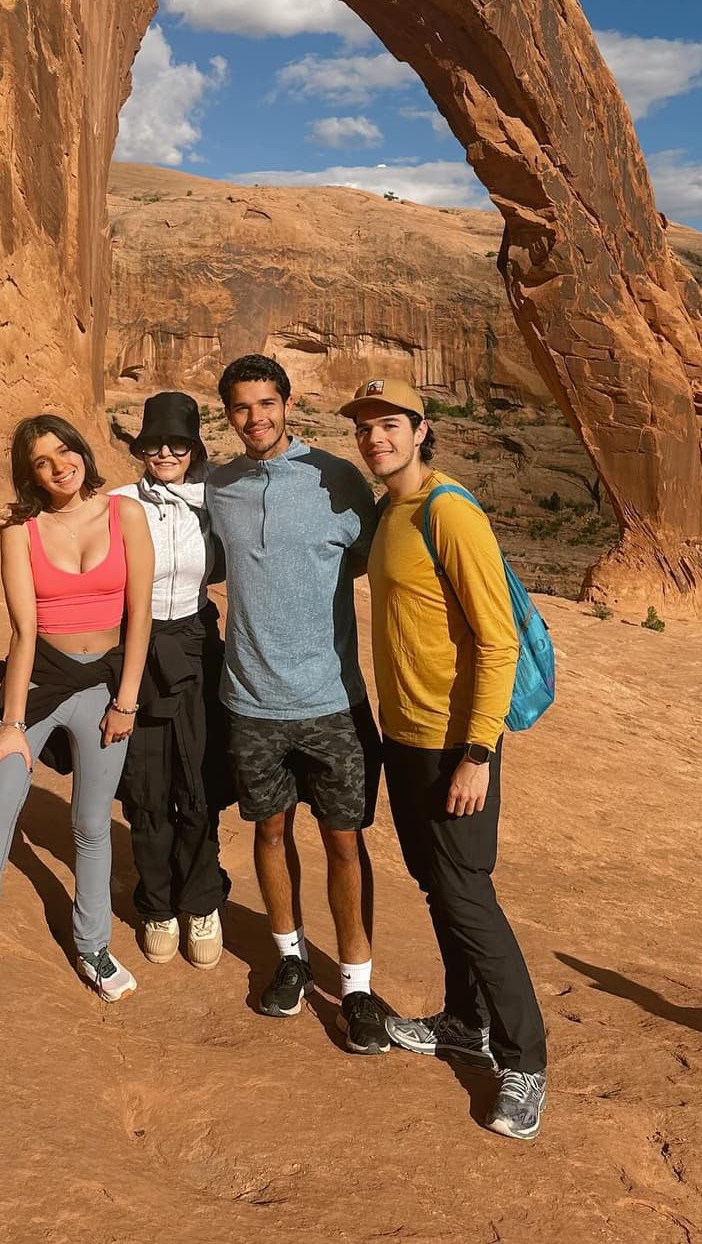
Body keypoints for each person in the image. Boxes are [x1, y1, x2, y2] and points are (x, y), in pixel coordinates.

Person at [342, 376, 548, 1140]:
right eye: (364, 427)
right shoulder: (388, 510)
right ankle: (466, 1022)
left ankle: (526, 1060)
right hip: (406, 739)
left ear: (422, 429)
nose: (375, 438)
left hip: (453, 743)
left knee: (468, 896)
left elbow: (496, 641)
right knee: (437, 887)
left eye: (389, 424)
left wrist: (478, 752)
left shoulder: (448, 512)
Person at [0, 414, 154, 1010]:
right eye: (42, 461)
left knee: (89, 825)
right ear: (28, 473)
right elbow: (23, 632)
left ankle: (94, 945)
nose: (60, 466)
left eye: (65, 451)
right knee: (0, 799)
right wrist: (9, 726)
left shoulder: (125, 513)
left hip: (107, 686)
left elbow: (140, 617)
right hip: (41, 682)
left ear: (82, 451)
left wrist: (127, 702)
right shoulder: (19, 528)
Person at [206, 354, 386, 1055]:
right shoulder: (218, 486)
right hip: (250, 700)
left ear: (289, 403)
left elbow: (371, 556)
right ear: (228, 415)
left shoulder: (336, 479)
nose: (257, 418)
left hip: (331, 700)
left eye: (267, 403)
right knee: (270, 831)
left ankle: (359, 986)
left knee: (345, 842)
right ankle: (288, 957)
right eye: (242, 408)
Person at [111, 391, 231, 969]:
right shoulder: (116, 503)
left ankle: (201, 900)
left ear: (193, 450)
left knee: (199, 774)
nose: (165, 451)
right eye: (155, 442)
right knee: (146, 780)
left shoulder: (214, 503)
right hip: (133, 648)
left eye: (178, 443)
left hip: (195, 645)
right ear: (140, 447)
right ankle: (157, 903)